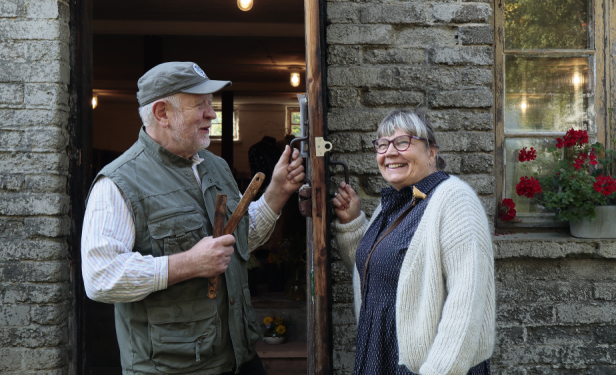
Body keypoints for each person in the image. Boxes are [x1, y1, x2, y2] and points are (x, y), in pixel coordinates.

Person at [81, 62, 305, 375]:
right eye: (199, 104)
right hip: (173, 368)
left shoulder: (216, 167)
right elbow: (100, 277)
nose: (211, 113)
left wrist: (278, 191)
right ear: (162, 114)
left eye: (209, 104)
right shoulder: (118, 183)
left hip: (240, 359)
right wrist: (188, 263)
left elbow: (236, 242)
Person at [331, 109, 495, 375]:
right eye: (382, 145)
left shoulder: (454, 200)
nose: (390, 152)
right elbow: (380, 274)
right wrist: (352, 224)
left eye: (402, 142)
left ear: (431, 152)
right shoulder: (395, 204)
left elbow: (466, 301)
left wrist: (440, 370)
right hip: (379, 353)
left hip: (425, 364)